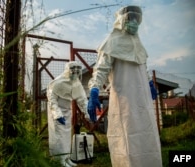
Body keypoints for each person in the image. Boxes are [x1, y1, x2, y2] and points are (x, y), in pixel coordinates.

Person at [88, 5, 162, 167]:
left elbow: (143, 66)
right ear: (122, 20)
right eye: (131, 18)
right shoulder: (111, 42)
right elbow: (100, 70)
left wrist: (149, 82)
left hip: (143, 102)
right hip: (125, 101)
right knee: (126, 137)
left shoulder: (138, 44)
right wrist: (94, 89)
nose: (134, 22)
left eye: (137, 19)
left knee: (147, 135)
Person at [47, 61, 94, 167]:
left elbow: (82, 100)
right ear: (68, 71)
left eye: (78, 71)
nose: (75, 74)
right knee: (59, 136)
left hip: (67, 112)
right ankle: (59, 159)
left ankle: (67, 157)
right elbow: (52, 99)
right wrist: (57, 114)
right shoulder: (58, 82)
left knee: (67, 136)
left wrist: (87, 114)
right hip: (57, 113)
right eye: (73, 71)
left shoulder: (76, 83)